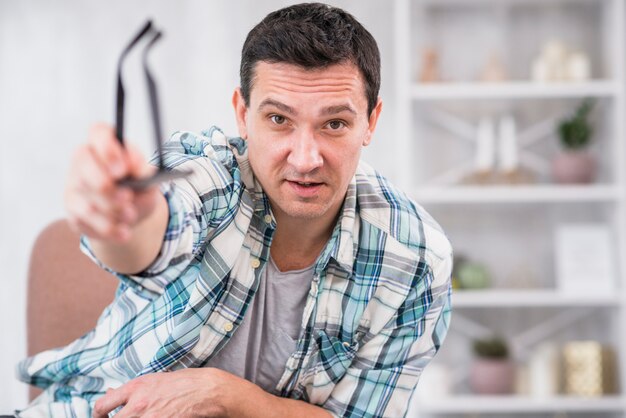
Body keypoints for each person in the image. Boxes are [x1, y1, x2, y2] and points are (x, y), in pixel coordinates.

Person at [16, 3, 452, 417]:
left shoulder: (416, 259)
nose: (305, 158)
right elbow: (157, 232)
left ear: (370, 123)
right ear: (242, 115)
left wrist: (221, 394)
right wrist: (121, 216)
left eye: (334, 124)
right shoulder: (211, 176)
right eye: (279, 119)